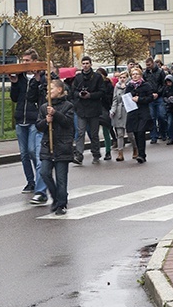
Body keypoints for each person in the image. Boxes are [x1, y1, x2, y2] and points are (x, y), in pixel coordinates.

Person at [9, 48, 48, 204]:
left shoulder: (41, 77)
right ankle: (30, 182)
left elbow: (41, 97)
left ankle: (40, 186)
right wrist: (14, 84)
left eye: (27, 60)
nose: (23, 63)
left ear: (34, 61)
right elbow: (14, 98)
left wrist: (39, 81)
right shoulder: (21, 77)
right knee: (24, 153)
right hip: (21, 118)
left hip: (34, 119)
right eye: (23, 60)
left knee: (33, 151)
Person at [36, 79, 75, 216]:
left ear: (59, 90)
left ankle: (61, 204)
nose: (48, 91)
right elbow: (38, 126)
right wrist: (46, 121)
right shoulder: (44, 107)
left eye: (51, 89)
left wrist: (55, 114)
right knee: (44, 172)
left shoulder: (68, 106)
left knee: (61, 178)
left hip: (62, 146)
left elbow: (67, 123)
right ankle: (56, 197)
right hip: (48, 145)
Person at [70, 56, 104, 164]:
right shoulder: (78, 78)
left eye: (87, 63)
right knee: (80, 133)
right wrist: (79, 94)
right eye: (83, 63)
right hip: (81, 109)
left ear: (91, 64)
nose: (85, 65)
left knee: (94, 134)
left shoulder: (97, 77)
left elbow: (102, 92)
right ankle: (79, 154)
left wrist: (90, 95)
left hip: (94, 108)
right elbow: (73, 91)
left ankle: (96, 153)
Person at [125, 67, 154, 163]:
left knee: (141, 131)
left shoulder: (146, 85)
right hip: (133, 112)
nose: (135, 76)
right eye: (133, 74)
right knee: (136, 133)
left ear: (140, 75)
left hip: (143, 112)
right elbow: (126, 97)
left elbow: (150, 97)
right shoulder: (129, 86)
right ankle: (139, 152)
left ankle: (142, 154)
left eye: (137, 74)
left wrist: (140, 99)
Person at [110, 70, 137, 161]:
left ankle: (135, 148)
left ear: (127, 78)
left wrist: (125, 88)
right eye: (120, 78)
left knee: (130, 133)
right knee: (120, 134)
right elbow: (115, 99)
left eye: (124, 78)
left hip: (128, 110)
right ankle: (120, 153)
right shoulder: (116, 87)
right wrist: (113, 110)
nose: (122, 79)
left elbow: (131, 97)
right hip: (119, 111)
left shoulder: (131, 85)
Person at [143, 57, 168, 143]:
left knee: (161, 115)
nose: (148, 67)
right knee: (152, 117)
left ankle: (163, 133)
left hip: (159, 96)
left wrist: (158, 93)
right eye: (147, 65)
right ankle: (154, 136)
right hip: (150, 97)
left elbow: (164, 84)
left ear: (153, 63)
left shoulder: (160, 72)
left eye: (149, 65)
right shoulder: (145, 73)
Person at [96, 67, 117, 160]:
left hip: (105, 109)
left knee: (106, 132)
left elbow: (111, 98)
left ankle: (108, 151)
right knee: (94, 133)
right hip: (95, 110)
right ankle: (96, 152)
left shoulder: (108, 85)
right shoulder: (95, 85)